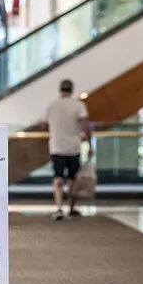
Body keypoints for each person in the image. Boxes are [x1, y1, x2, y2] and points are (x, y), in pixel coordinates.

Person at [44, 79, 92, 221]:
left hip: (57, 146)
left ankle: (58, 208)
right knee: (73, 178)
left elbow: (45, 124)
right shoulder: (79, 105)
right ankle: (71, 207)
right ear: (72, 90)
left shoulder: (52, 105)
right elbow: (86, 126)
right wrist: (89, 145)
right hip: (74, 146)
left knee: (58, 177)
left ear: (60, 90)